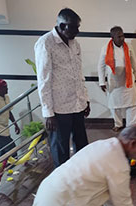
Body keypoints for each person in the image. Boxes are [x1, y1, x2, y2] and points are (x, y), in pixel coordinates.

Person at [35, 8, 90, 168]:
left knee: (82, 144)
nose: (78, 31)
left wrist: (85, 100)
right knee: (60, 148)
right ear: (62, 25)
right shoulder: (46, 43)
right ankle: (62, 182)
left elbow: (79, 74)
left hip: (77, 105)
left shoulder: (74, 43)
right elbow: (43, 80)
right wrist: (48, 113)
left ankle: (82, 175)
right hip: (59, 109)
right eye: (74, 27)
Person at [98, 26, 136, 132]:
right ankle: (118, 123)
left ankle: (131, 125)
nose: (122, 38)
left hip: (128, 79)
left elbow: (134, 62)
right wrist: (102, 82)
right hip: (114, 81)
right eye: (119, 36)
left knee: (133, 103)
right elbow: (101, 66)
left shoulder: (129, 46)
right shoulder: (105, 48)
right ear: (112, 38)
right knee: (114, 104)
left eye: (123, 36)